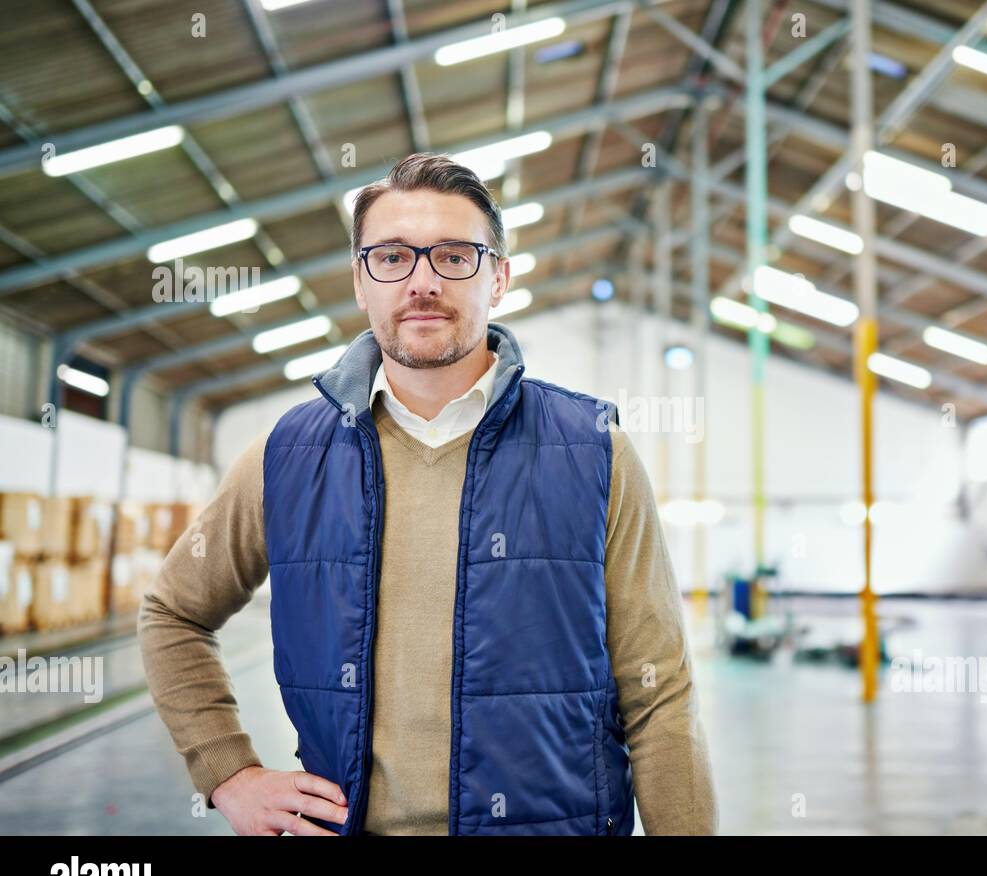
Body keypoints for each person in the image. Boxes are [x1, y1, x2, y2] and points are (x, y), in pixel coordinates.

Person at [138, 152, 718, 836]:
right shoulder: (285, 457)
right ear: (360, 281)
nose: (421, 281)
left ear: (498, 278)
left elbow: (659, 695)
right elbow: (172, 612)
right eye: (390, 257)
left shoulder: (594, 452)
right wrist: (228, 773)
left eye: (454, 256)